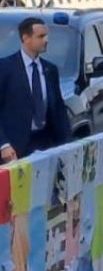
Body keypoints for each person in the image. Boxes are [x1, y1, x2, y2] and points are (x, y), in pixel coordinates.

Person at [0, 17, 71, 163]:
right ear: (25, 38)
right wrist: (3, 144)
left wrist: (68, 144)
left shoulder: (50, 69)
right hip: (15, 148)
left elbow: (58, 109)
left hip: (45, 144)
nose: (46, 40)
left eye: (46, 36)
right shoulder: (5, 68)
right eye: (41, 36)